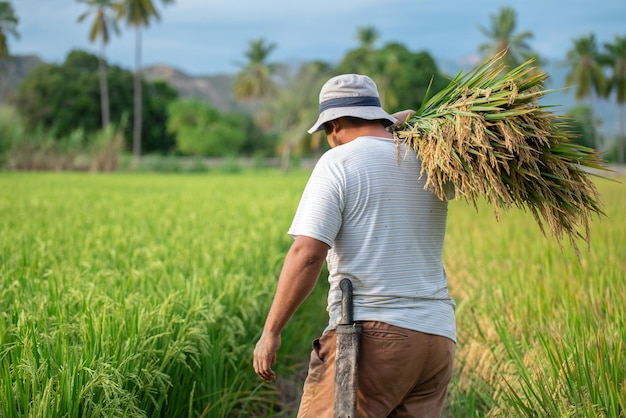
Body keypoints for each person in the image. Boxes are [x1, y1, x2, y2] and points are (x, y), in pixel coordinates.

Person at [253, 74, 456, 418]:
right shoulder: (429, 160)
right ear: (378, 116)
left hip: (375, 336)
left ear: (332, 125)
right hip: (437, 340)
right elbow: (401, 124)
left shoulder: (339, 162)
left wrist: (271, 331)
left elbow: (307, 254)